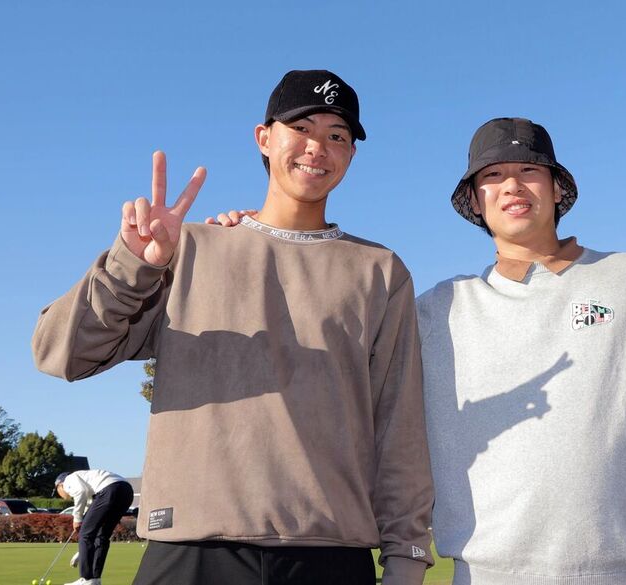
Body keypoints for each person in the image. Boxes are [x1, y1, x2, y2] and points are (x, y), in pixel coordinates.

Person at [33, 69, 434, 585]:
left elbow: (398, 424)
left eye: (338, 136)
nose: (318, 147)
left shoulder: (381, 271)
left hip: (329, 552)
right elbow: (59, 354)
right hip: (190, 548)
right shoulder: (186, 248)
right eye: (302, 128)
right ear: (264, 138)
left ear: (351, 155)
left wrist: (405, 559)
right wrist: (131, 263)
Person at [413, 118, 626, 584]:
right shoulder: (436, 311)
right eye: (492, 175)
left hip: (624, 572)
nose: (511, 185)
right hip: (484, 573)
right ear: (474, 199)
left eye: (529, 170)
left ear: (557, 190)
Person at [54, 470, 134, 585]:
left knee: (85, 534)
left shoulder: (68, 480)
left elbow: (80, 492)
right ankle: (95, 579)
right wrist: (82, 552)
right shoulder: (88, 482)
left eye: (58, 491)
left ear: (60, 485)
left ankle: (86, 579)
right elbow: (90, 514)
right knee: (101, 536)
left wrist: (77, 519)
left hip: (109, 489)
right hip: (125, 492)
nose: (61, 495)